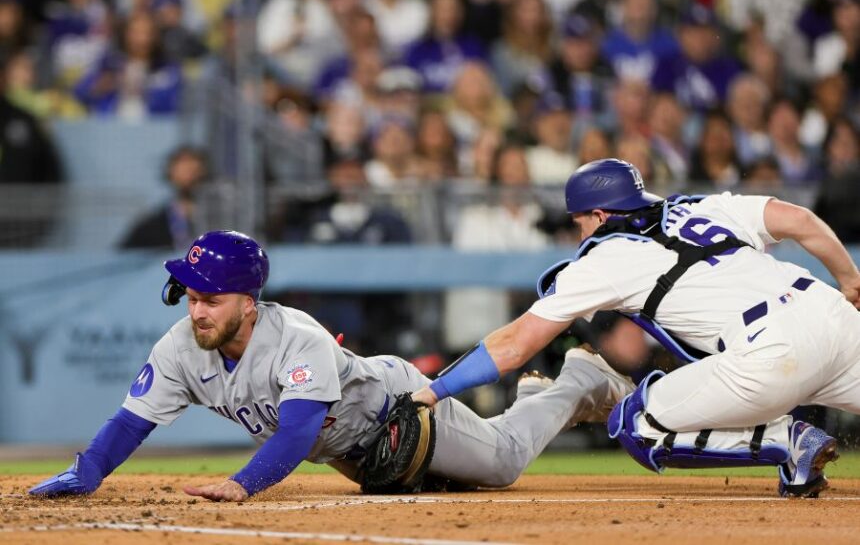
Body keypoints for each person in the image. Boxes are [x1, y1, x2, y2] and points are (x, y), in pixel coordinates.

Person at [28, 230, 633, 501]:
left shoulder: (297, 336)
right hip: (350, 450)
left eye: (210, 299)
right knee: (446, 495)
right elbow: (132, 420)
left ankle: (577, 378)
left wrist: (243, 484)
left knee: (501, 465)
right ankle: (539, 394)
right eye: (190, 297)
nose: (197, 311)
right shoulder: (183, 347)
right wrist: (87, 473)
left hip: (396, 409)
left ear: (248, 300)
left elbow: (294, 432)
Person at [412, 158, 860, 498]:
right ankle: (791, 446)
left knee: (636, 424)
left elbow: (513, 345)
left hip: (772, 350)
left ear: (601, 215)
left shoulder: (603, 260)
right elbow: (798, 219)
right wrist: (850, 278)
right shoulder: (702, 206)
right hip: (831, 313)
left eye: (580, 220)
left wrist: (435, 390)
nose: (579, 231)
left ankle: (787, 441)